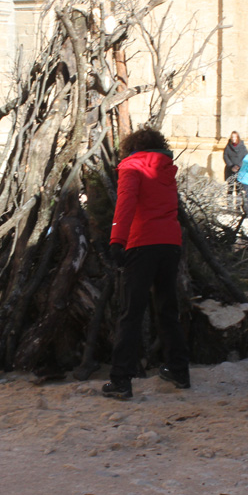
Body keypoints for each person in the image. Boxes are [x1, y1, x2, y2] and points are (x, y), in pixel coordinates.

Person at [103, 127, 190, 399]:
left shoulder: (132, 166)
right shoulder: (166, 169)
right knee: (167, 309)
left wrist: (117, 239)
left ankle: (121, 380)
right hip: (170, 244)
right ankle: (178, 370)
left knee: (131, 312)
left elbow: (125, 203)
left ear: (132, 147)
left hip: (142, 243)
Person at [222, 131, 248, 210]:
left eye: (235, 137)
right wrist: (231, 165)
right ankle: (229, 206)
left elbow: (245, 157)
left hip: (240, 170)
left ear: (237, 138)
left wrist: (239, 166)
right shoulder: (228, 146)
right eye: (232, 137)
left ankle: (238, 206)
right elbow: (225, 156)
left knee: (239, 189)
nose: (233, 139)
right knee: (230, 189)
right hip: (230, 170)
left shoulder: (242, 147)